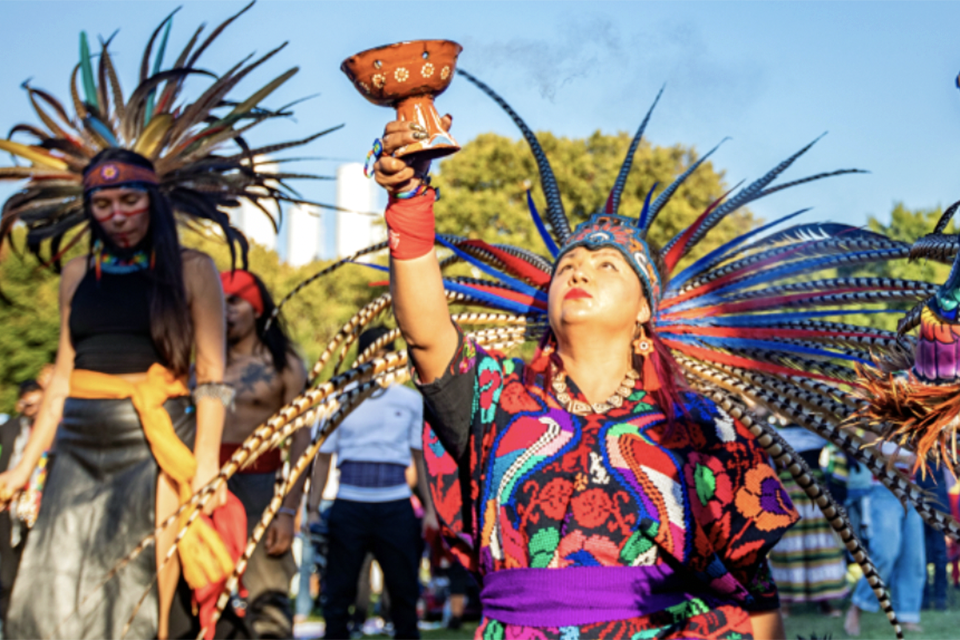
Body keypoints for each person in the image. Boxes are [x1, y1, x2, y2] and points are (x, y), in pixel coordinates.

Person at [372, 114, 801, 638]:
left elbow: (752, 586)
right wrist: (410, 199)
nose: (579, 270)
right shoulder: (494, 397)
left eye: (607, 266)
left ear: (645, 308)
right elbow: (426, 336)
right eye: (569, 263)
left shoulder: (703, 424)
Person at [0, 9, 321, 636]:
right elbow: (62, 379)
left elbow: (209, 377)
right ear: (88, 208)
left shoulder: (194, 270)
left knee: (138, 588)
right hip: (76, 444)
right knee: (48, 591)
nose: (116, 213)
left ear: (153, 200)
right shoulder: (75, 274)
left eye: (129, 199)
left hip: (153, 442)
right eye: (103, 202)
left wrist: (204, 467)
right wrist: (21, 467)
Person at [307, 326, 435, 640]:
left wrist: (430, 509)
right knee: (339, 593)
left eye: (384, 356)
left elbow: (420, 459)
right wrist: (311, 509)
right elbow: (322, 458)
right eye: (371, 356)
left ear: (392, 359)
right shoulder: (338, 400)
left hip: (395, 505)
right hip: (349, 504)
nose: (378, 363)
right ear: (360, 359)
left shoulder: (409, 400)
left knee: (404, 592)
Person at [218, 269, 309, 640]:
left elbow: (303, 439)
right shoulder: (203, 361)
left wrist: (287, 510)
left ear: (256, 308)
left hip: (261, 485)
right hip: (207, 486)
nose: (223, 310)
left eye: (233, 301)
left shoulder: (284, 363)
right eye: (217, 301)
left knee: (268, 599)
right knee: (207, 592)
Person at [844, 437, 926, 636]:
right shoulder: (879, 410)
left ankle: (907, 615)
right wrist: (905, 457)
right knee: (885, 553)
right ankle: (857, 606)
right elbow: (866, 445)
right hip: (884, 491)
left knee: (913, 558)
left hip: (912, 493)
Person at [767, 424, 848, 616]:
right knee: (787, 544)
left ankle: (825, 600)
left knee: (820, 544)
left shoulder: (817, 428)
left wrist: (838, 485)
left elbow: (840, 451)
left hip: (814, 493)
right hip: (785, 493)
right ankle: (785, 602)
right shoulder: (769, 428)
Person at [0, 379, 44, 628]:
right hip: (8, 508)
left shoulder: (55, 431)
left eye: (37, 402)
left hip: (42, 509)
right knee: (7, 577)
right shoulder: (10, 428)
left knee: (36, 575)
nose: (33, 408)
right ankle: (8, 627)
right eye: (27, 404)